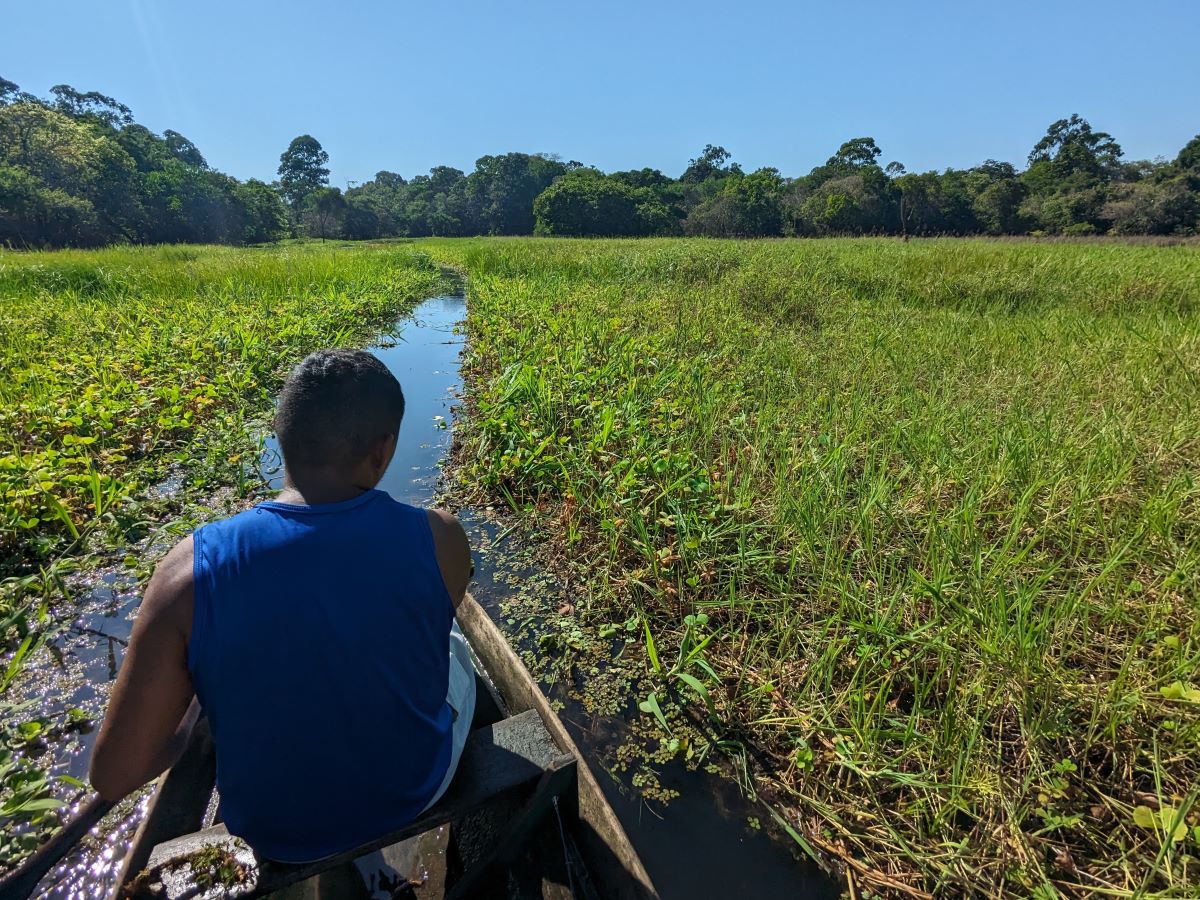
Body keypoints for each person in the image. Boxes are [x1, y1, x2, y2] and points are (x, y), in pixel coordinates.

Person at [89, 349, 476, 892]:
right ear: (384, 449)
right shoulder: (441, 538)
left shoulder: (187, 574)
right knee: (457, 645)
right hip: (413, 789)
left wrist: (189, 733)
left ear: (282, 437)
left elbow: (111, 775)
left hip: (268, 830)